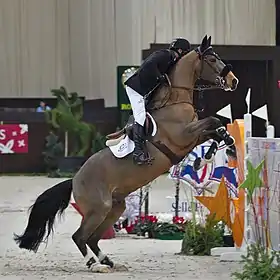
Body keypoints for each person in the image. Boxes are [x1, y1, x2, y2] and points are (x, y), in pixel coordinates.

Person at [124, 38, 191, 165]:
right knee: (140, 116)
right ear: (181, 51)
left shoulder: (171, 61)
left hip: (145, 91)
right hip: (135, 89)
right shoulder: (165, 54)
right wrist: (159, 76)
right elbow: (149, 64)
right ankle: (138, 152)